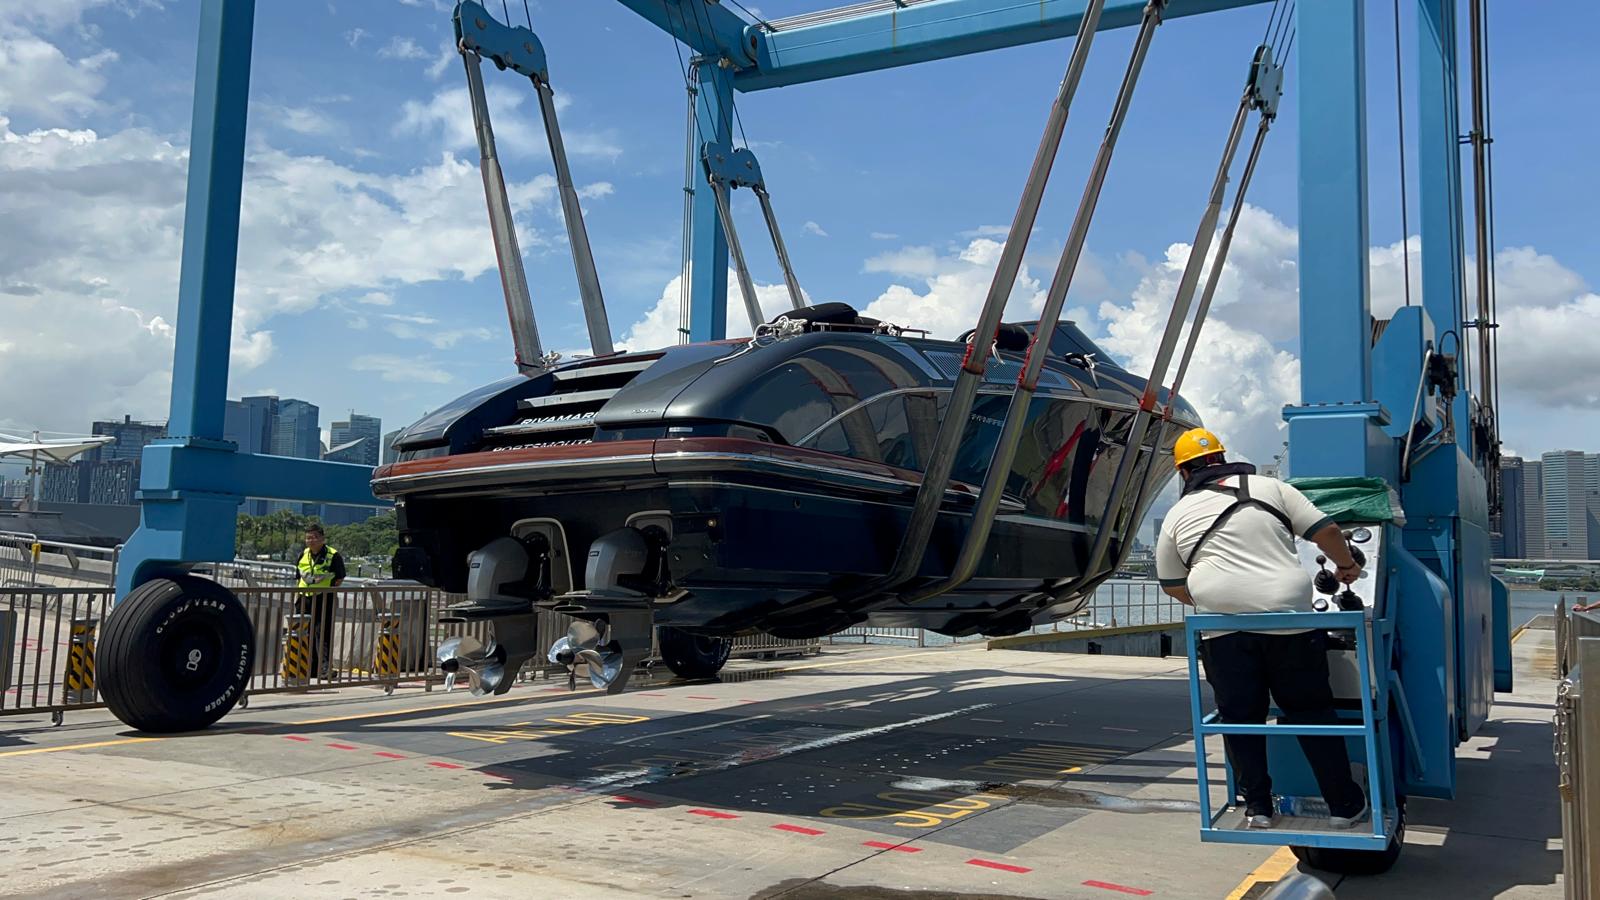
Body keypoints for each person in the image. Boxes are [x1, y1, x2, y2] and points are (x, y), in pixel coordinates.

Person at [1155, 427, 1369, 831]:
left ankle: (1258, 807)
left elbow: (1171, 583)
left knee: (1241, 717)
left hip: (1223, 631)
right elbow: (1325, 531)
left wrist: (1214, 599)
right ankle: (1343, 804)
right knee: (1311, 711)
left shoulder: (1178, 515)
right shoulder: (1271, 487)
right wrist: (1346, 566)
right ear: (1222, 458)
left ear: (1183, 473)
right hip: (1289, 619)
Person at [295, 523, 346, 680]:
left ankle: (324, 668)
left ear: (323, 539)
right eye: (308, 538)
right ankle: (307, 666)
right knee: (304, 633)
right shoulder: (303, 554)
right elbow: (299, 577)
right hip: (304, 599)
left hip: (324, 598)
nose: (311, 540)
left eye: (315, 537)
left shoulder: (333, 555)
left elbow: (339, 578)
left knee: (322, 633)